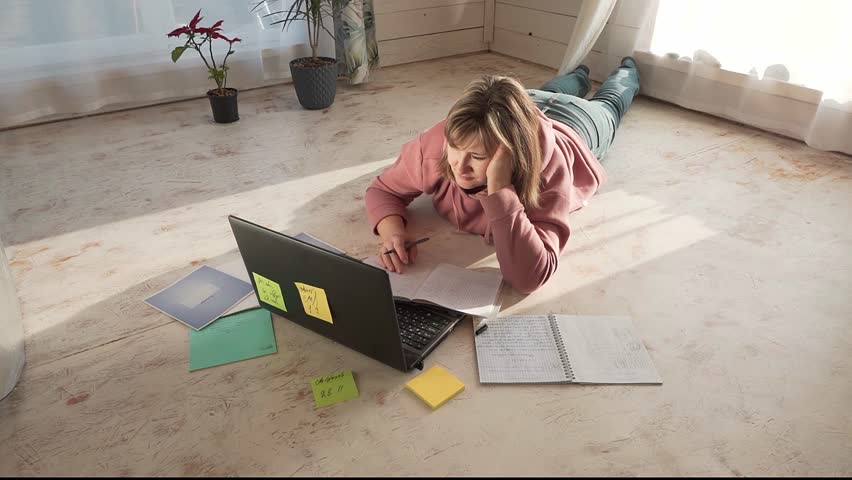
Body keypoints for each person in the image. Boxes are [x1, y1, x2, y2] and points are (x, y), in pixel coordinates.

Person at [364, 57, 640, 294]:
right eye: (456, 149)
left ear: (510, 157)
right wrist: (392, 232)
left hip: (577, 122)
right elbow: (383, 190)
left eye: (479, 157)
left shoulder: (547, 174)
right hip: (528, 102)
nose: (460, 166)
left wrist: (500, 191)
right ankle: (580, 73)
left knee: (612, 101)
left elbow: (529, 278)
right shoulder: (436, 145)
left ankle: (628, 69)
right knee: (553, 89)